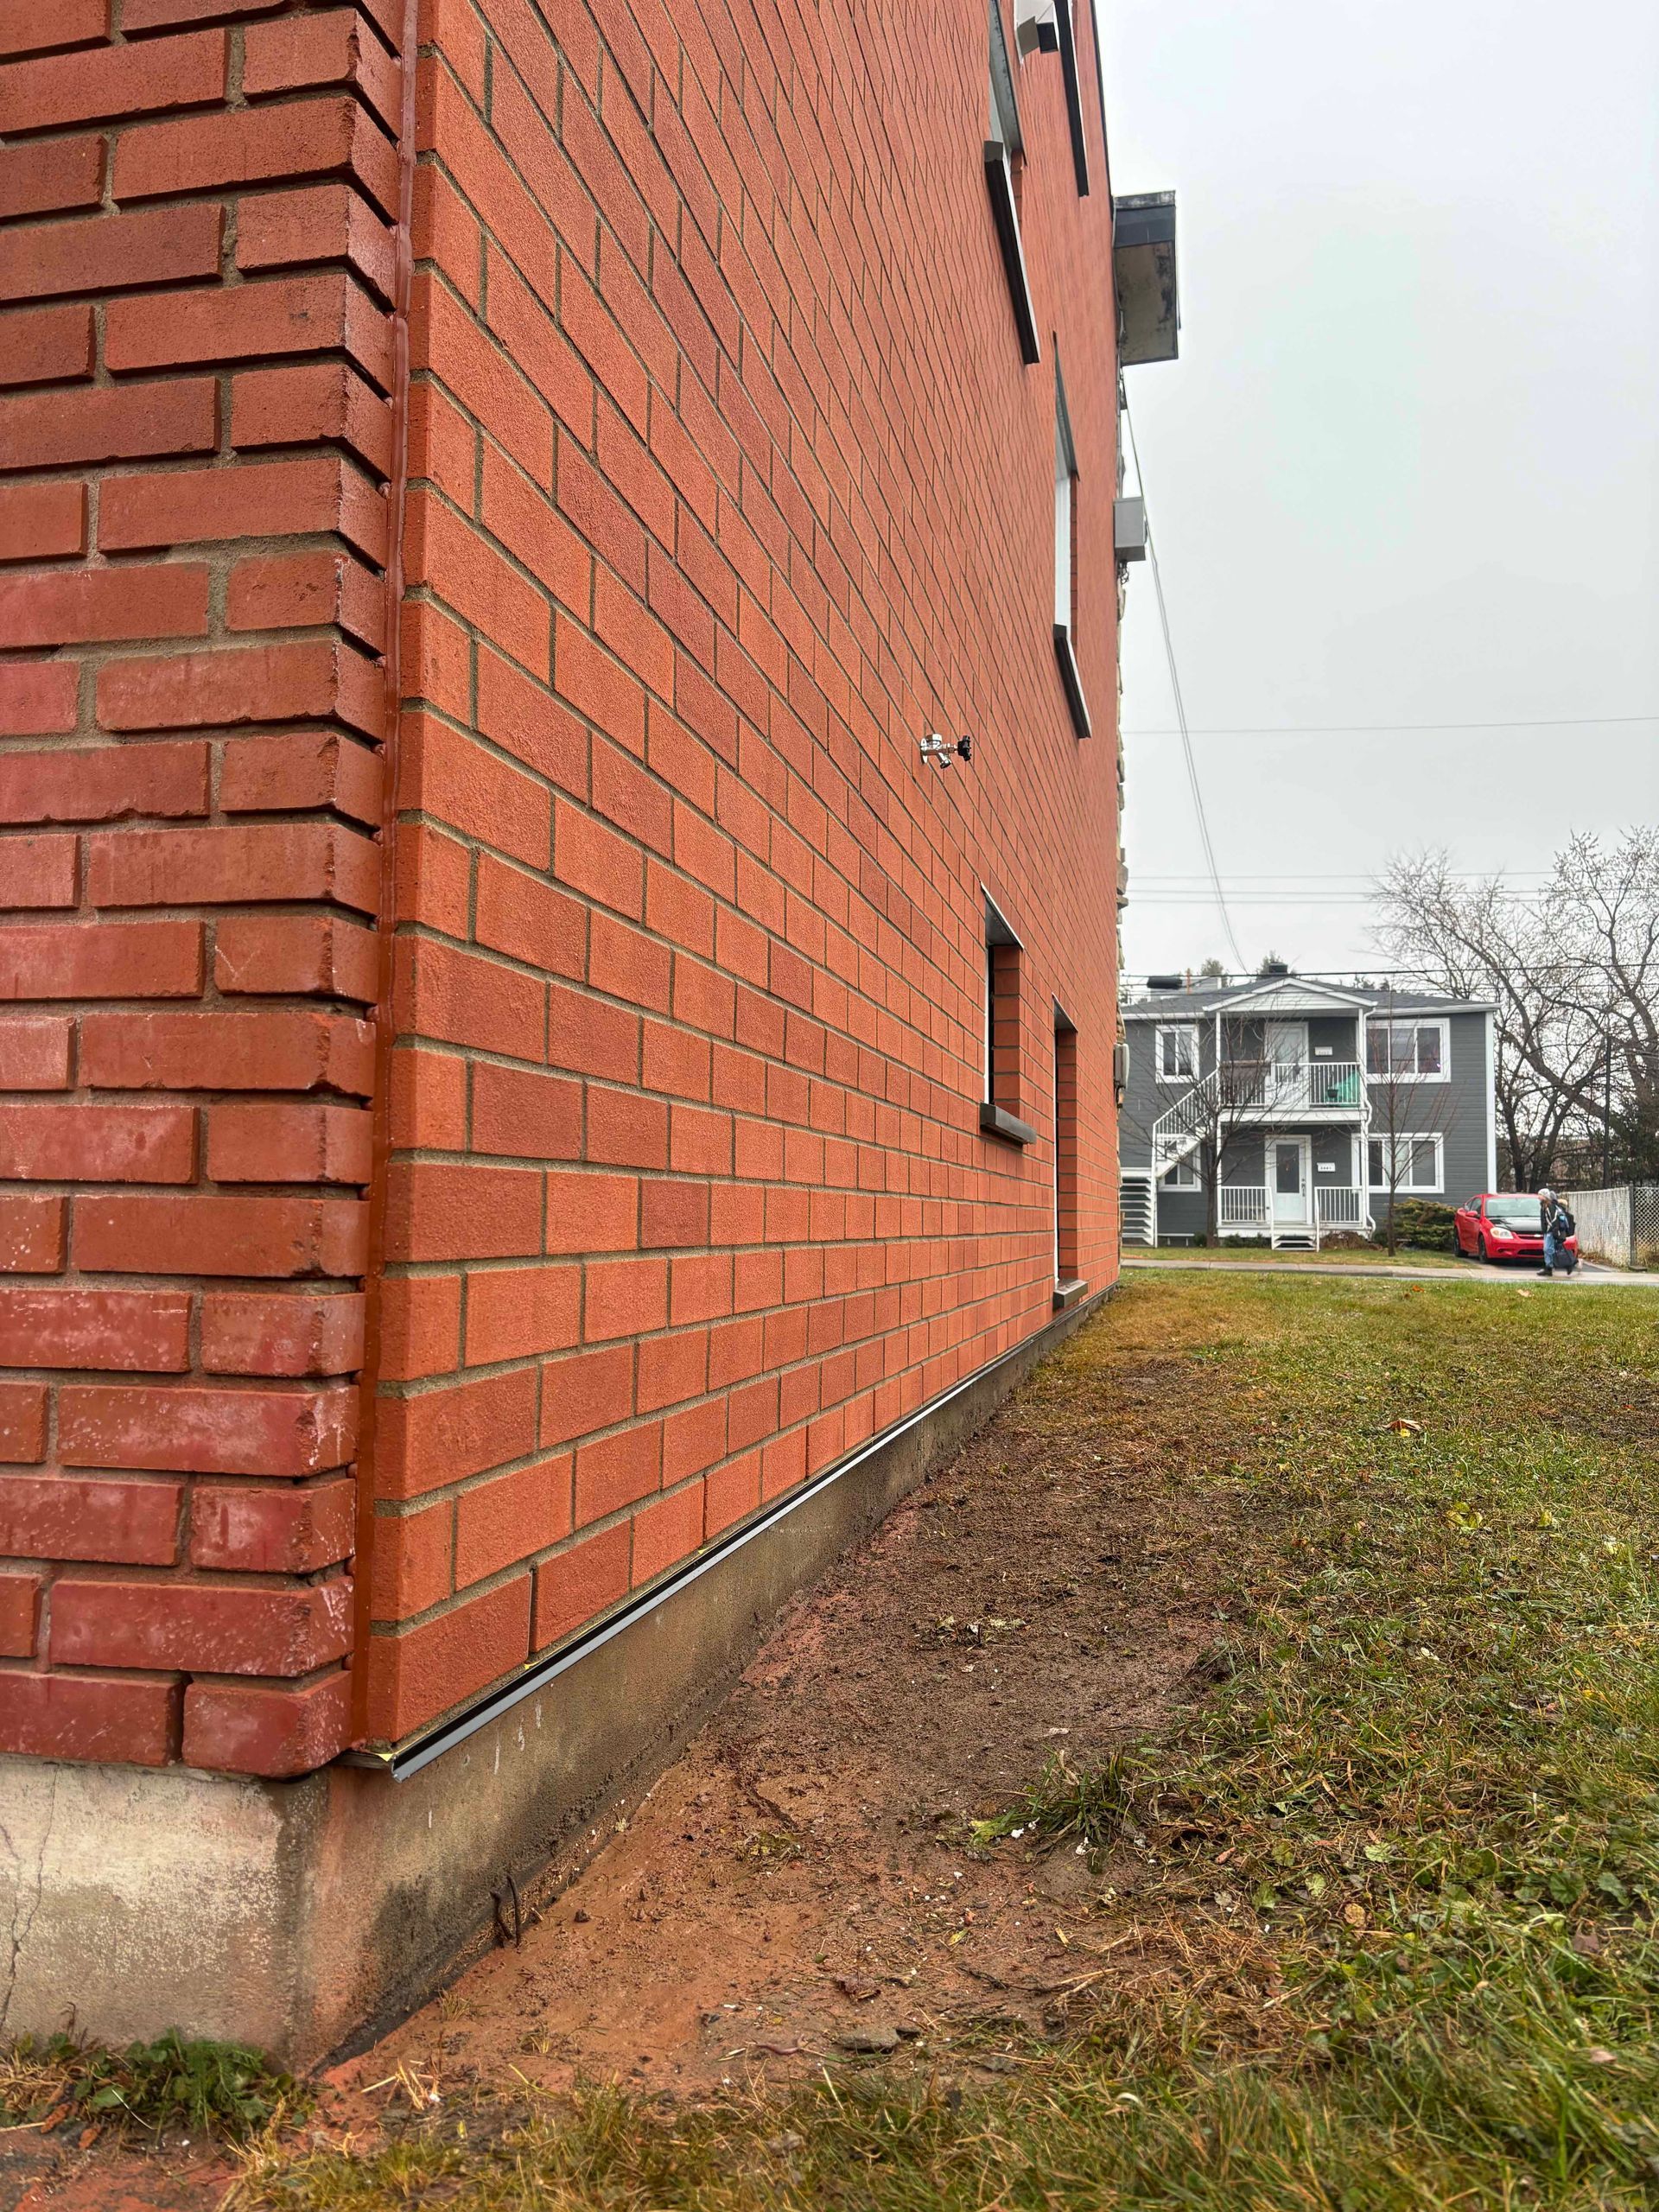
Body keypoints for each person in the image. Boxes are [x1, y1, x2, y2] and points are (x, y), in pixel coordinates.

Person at [1538, 1188, 1574, 1278]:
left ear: (1545, 1196)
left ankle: (1551, 1267)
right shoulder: (1544, 1206)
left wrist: (1554, 1230)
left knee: (1548, 1249)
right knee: (1553, 1250)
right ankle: (1552, 1267)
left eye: (1540, 1195)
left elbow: (1553, 1219)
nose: (1538, 1197)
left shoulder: (1550, 1206)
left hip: (1551, 1231)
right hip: (1548, 1231)